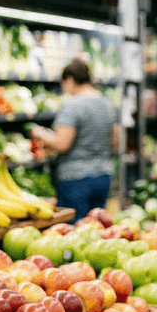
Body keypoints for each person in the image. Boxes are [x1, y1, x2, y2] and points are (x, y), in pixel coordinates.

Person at [31, 59, 120, 220]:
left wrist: (39, 133)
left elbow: (62, 143)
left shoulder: (72, 105)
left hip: (76, 179)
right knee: (97, 226)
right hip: (103, 176)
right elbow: (115, 141)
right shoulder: (107, 103)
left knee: (74, 231)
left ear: (70, 80)